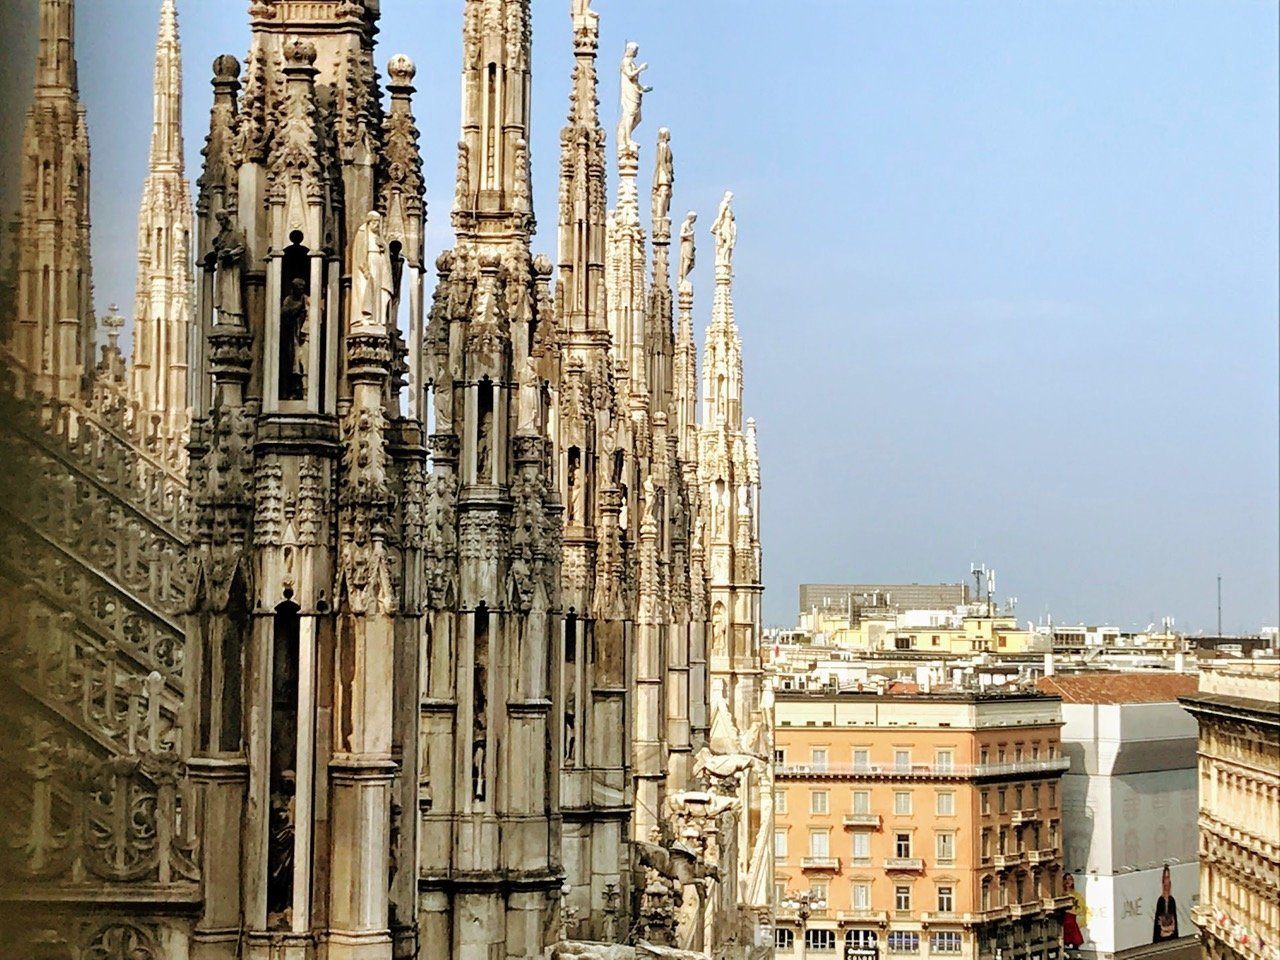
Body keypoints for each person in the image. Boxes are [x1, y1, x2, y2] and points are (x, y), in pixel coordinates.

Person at [1152, 865, 1179, 941]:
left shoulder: (1172, 900)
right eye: (1165, 878)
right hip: (1161, 938)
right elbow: (1158, 923)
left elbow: (1174, 922)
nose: (1167, 881)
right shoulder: (1160, 900)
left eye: (1168, 878)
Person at [1062, 871, 1085, 949]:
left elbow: (1080, 908)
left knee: (1075, 937)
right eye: (1066, 879)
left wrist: (1074, 912)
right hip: (1064, 918)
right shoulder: (1062, 893)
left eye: (1070, 879)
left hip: (1072, 918)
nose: (1068, 881)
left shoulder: (1076, 895)